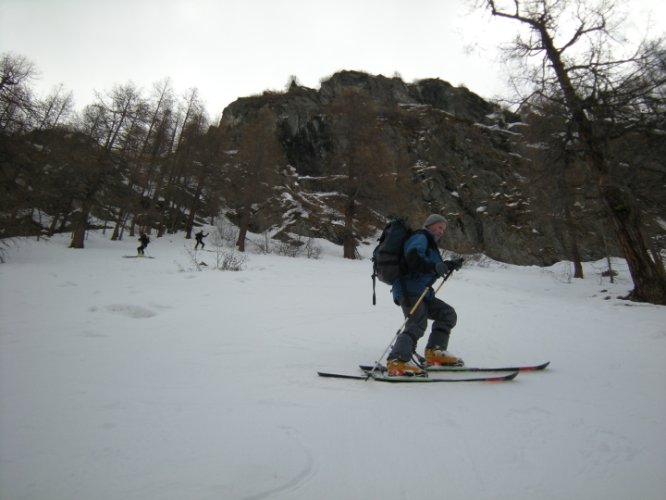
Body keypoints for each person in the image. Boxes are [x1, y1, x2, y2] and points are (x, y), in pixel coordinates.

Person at [386, 214, 464, 376]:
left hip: (422, 291)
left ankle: (435, 351)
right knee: (417, 323)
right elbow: (413, 258)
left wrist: (447, 265)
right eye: (440, 227)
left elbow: (429, 266)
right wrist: (435, 267)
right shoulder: (421, 237)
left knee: (447, 314)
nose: (442, 231)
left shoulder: (430, 243)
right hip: (409, 289)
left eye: (444, 229)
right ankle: (397, 360)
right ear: (429, 225)